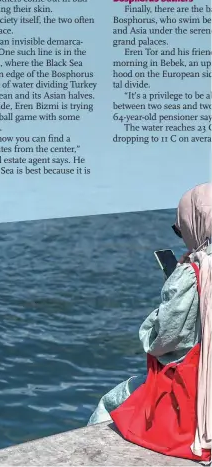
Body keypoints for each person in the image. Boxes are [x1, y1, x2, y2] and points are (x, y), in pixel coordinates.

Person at [89, 183, 211, 461]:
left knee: (111, 402)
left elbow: (160, 342)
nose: (182, 236)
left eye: (180, 229)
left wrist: (175, 286)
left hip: (195, 399)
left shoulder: (191, 275)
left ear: (197, 225)